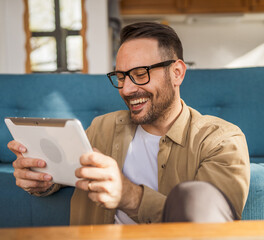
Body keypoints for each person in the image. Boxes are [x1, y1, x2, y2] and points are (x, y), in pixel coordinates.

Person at [8, 22, 250, 225]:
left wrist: (130, 195)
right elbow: (62, 175)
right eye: (121, 76)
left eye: (141, 73)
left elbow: (214, 228)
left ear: (177, 73)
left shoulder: (221, 141)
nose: (127, 88)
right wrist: (38, 178)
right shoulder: (102, 128)